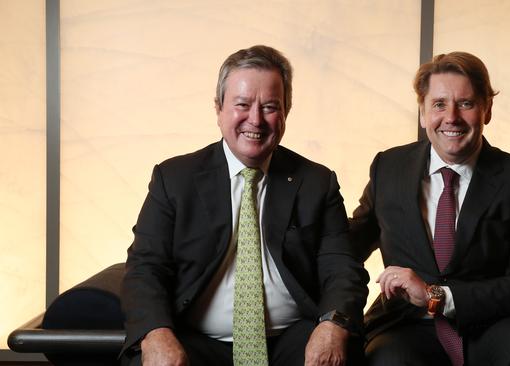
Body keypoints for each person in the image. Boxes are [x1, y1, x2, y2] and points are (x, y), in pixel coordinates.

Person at [120, 45, 368, 366]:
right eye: (242, 104)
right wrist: (155, 333)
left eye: (269, 107)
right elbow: (145, 267)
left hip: (293, 338)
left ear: (286, 112)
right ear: (219, 109)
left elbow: (342, 267)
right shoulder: (174, 178)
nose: (255, 119)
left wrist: (333, 326)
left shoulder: (316, 182)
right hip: (195, 340)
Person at [350, 51, 510, 365]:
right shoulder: (389, 168)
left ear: (486, 110)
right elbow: (347, 244)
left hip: (493, 322)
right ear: (423, 112)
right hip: (407, 323)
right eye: (439, 104)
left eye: (465, 103)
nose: (451, 117)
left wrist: (436, 297)